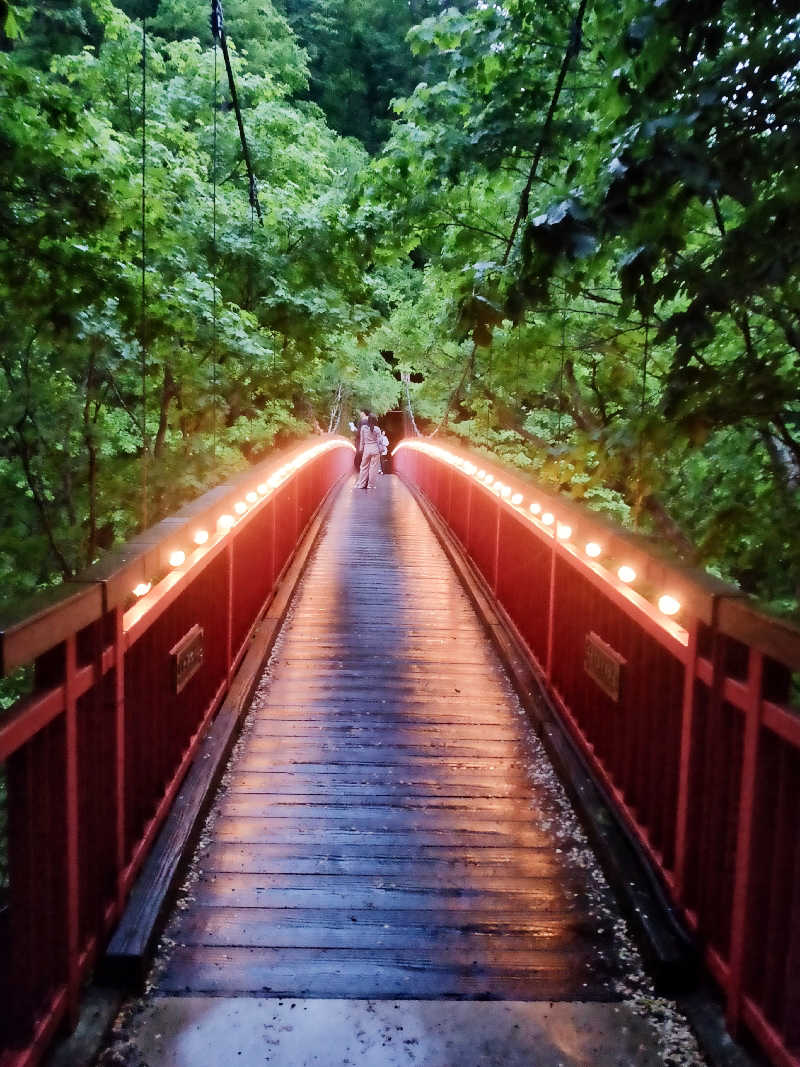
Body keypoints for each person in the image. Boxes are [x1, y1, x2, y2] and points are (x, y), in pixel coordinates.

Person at [355, 414, 383, 490]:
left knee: (363, 467)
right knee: (373, 469)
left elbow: (362, 440)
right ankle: (370, 485)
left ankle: (361, 484)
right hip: (375, 450)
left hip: (366, 450)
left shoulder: (363, 428)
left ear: (368, 420)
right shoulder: (377, 429)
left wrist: (361, 449)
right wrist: (381, 450)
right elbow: (380, 441)